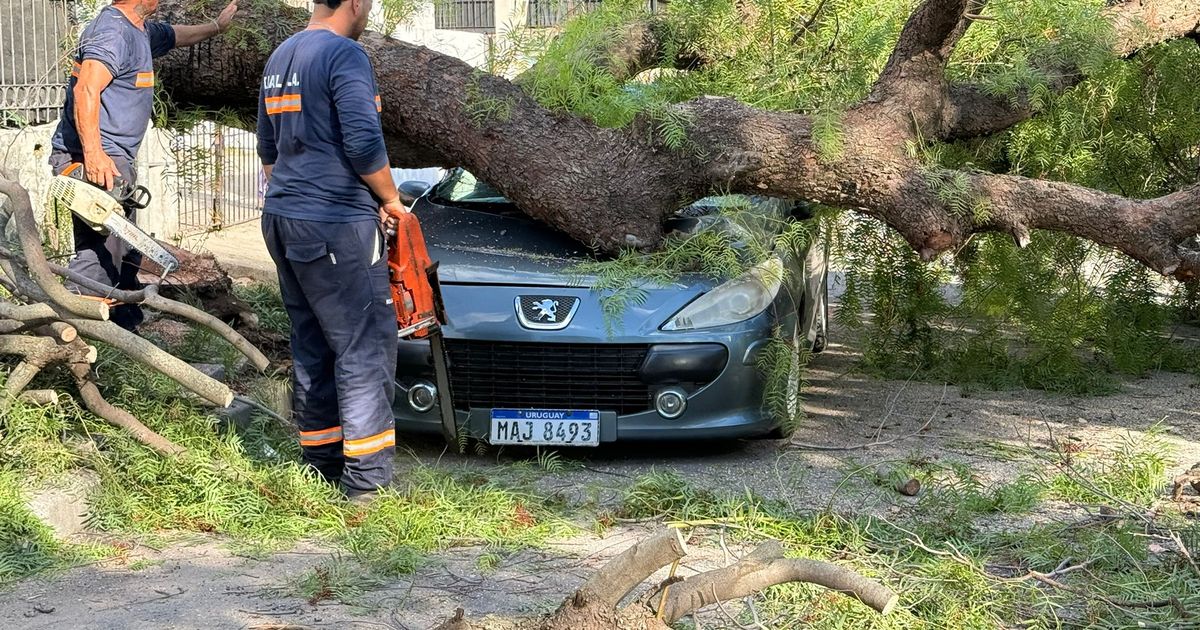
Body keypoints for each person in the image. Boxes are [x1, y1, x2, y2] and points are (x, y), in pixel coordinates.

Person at [256, 0, 402, 501]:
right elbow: (363, 143)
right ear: (356, 3)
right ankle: (367, 483)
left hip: (282, 219)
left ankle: (320, 465)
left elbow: (268, 152)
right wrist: (389, 199)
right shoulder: (345, 55)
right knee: (364, 347)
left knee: (314, 344)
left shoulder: (282, 55)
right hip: (335, 222)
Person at [49, 0, 240, 331]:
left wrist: (217, 28)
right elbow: (86, 90)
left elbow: (176, 35)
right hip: (95, 160)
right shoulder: (113, 31)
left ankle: (124, 332)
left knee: (126, 252)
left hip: (115, 159)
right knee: (99, 255)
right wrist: (94, 155)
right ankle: (72, 334)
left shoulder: (140, 31)